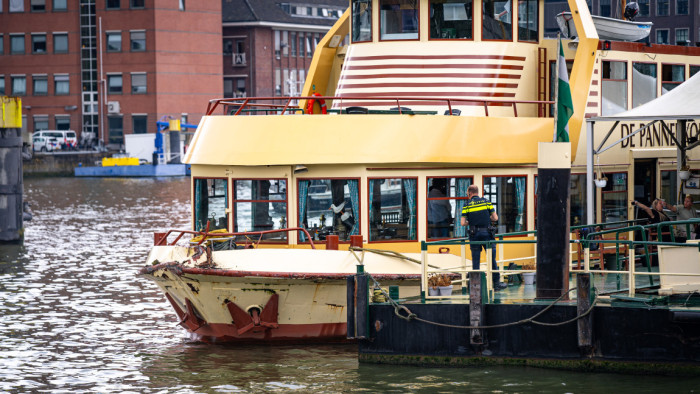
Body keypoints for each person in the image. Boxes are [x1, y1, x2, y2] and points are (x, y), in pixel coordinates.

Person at [460, 185, 507, 290]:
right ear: (477, 192)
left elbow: (463, 223)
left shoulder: (467, 204)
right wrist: (487, 218)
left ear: (470, 193)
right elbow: (495, 217)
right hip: (487, 234)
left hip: (474, 235)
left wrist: (471, 222)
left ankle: (475, 286)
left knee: (475, 261)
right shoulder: (486, 201)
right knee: (492, 260)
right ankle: (496, 284)